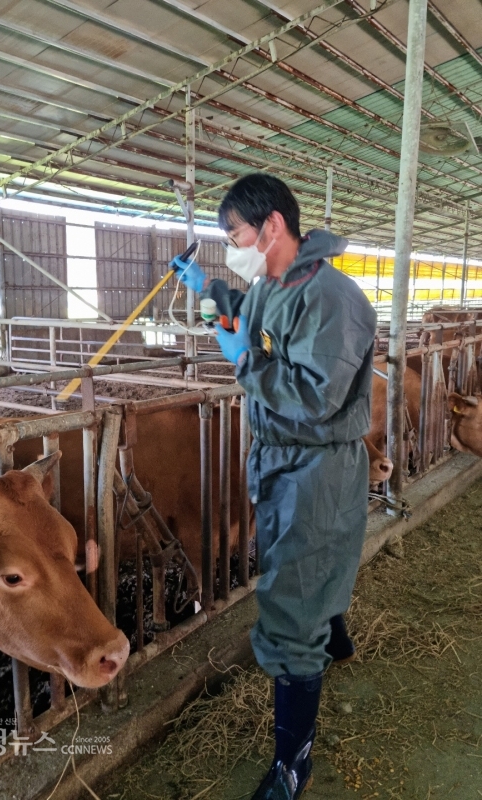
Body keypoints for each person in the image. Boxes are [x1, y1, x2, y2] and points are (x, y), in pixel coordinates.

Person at [170, 173, 377, 800]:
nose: (232, 245)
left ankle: (294, 764)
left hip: (316, 463)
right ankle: (332, 633)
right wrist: (210, 291)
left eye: (234, 235)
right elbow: (252, 319)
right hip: (279, 457)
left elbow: (316, 396)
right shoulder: (274, 282)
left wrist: (242, 361)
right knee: (305, 563)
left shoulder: (334, 297)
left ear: (273, 227)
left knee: (291, 598)